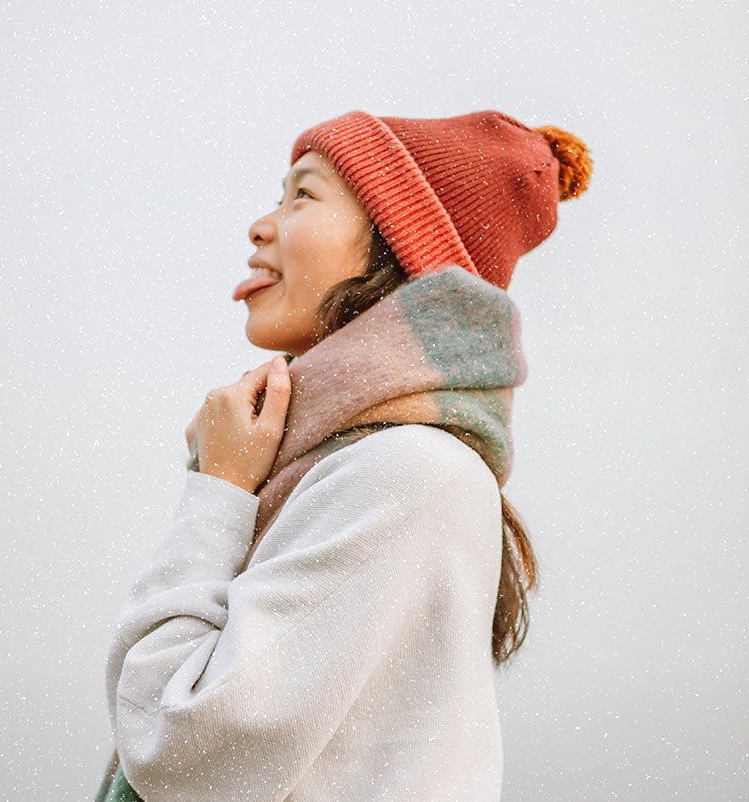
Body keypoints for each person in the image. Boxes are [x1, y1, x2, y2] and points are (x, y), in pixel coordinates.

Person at [96, 109, 593, 801]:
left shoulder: (405, 470)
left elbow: (178, 753)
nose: (260, 226)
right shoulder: (376, 466)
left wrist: (218, 492)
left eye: (303, 194)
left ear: (399, 241)